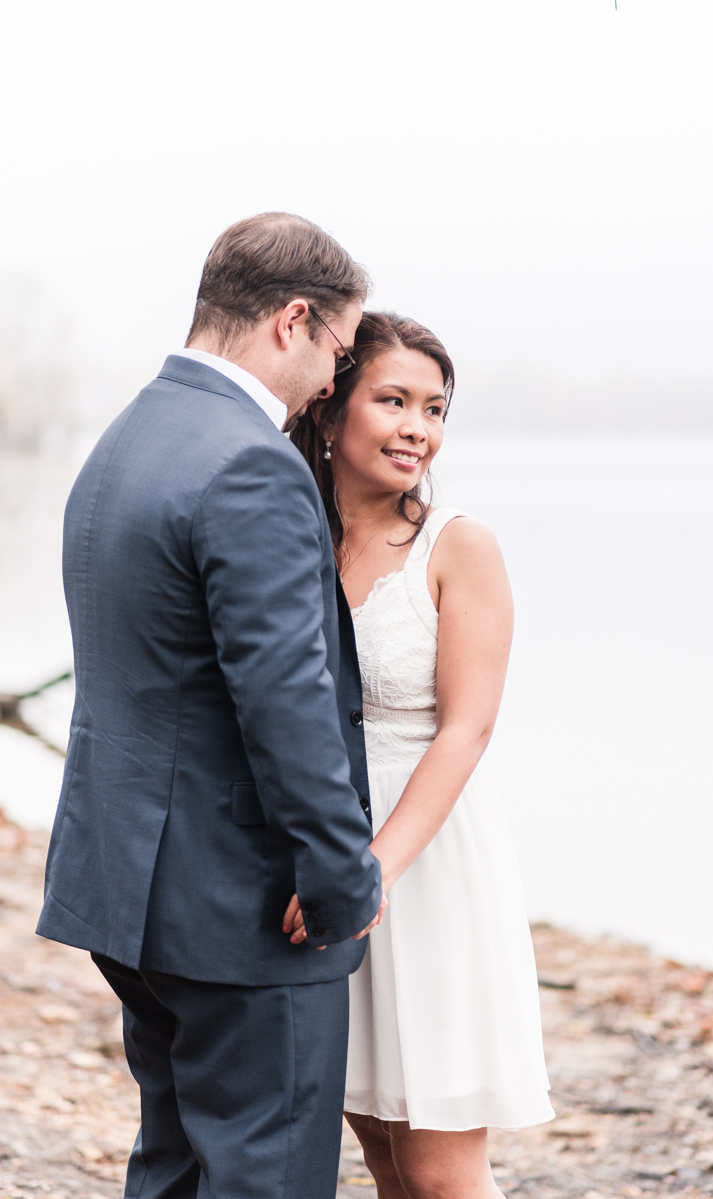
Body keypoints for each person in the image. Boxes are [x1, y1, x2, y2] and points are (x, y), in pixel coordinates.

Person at [36, 213, 385, 1199]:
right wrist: (336, 877)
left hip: (127, 886)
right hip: (235, 904)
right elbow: (285, 694)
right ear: (293, 320)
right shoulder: (251, 462)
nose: (333, 380)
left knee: (179, 1162)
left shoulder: (128, 437)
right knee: (263, 1173)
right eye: (338, 350)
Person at [289, 312, 554, 1199]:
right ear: (330, 410)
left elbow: (467, 730)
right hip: (325, 853)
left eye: (434, 408)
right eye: (393, 400)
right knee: (380, 1150)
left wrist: (371, 871)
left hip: (428, 865)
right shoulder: (288, 541)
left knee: (443, 1169)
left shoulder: (459, 545)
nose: (418, 428)